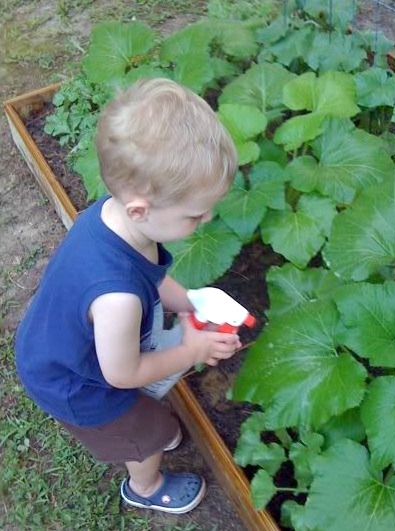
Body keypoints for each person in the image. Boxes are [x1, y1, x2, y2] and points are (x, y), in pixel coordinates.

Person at [15, 78, 241, 515]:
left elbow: (153, 279)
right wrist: (190, 348)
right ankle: (146, 485)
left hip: (54, 346)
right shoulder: (116, 299)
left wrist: (190, 301)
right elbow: (123, 373)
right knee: (147, 432)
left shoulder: (116, 217)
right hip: (77, 384)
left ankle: (147, 443)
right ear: (141, 209)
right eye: (196, 214)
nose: (208, 218)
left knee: (150, 418)